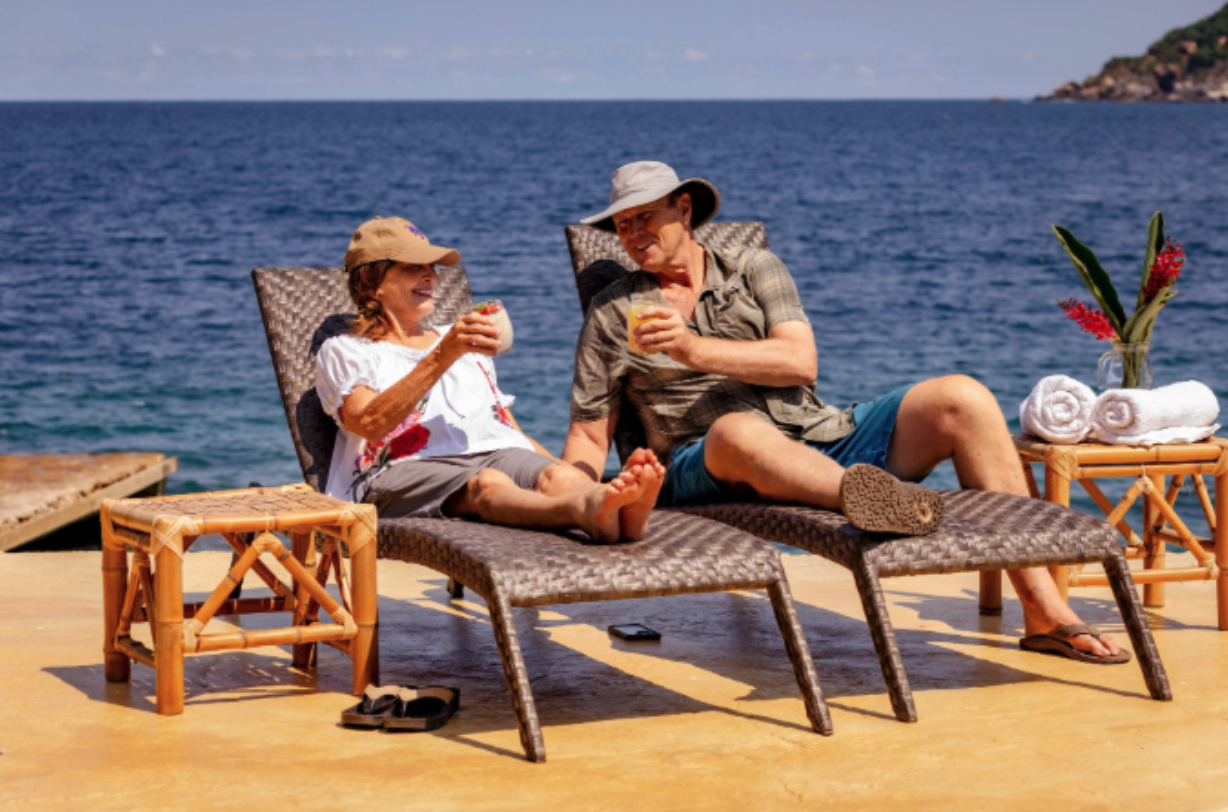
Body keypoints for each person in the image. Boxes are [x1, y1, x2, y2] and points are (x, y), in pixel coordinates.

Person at [562, 161, 1127, 662]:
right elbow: (590, 435)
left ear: (684, 210)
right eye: (622, 223)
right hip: (704, 462)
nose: (632, 235)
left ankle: (1044, 612)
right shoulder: (614, 314)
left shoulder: (755, 268)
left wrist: (689, 348)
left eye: (645, 218)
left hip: (818, 435)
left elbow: (800, 362)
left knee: (964, 398)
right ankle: (875, 500)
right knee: (740, 431)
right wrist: (571, 504)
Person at [316, 216, 664, 544]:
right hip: (400, 473)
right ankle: (584, 511)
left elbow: (505, 428)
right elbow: (369, 423)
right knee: (488, 484)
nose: (431, 278)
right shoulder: (347, 350)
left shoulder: (458, 339)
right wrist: (443, 355)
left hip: (491, 453)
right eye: (413, 268)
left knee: (560, 478)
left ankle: (608, 505)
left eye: (431, 268)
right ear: (371, 284)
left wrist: (573, 477)